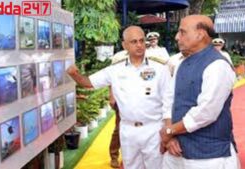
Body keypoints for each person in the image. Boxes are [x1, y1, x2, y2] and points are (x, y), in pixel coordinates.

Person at [67, 26, 172, 169]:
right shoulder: (115, 70)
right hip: (128, 130)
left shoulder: (160, 69)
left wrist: (168, 130)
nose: (139, 45)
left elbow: (168, 101)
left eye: (142, 41)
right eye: (134, 42)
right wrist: (74, 74)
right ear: (124, 45)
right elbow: (88, 83)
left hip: (153, 130)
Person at [159, 15, 241, 169]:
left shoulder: (218, 66)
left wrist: (169, 130)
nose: (177, 37)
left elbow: (206, 112)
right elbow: (169, 101)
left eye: (182, 32)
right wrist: (169, 138)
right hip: (176, 151)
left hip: (209, 156)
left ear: (200, 34)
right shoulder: (181, 64)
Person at [108, 50, 129, 168]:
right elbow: (110, 78)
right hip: (121, 99)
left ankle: (128, 157)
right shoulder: (119, 57)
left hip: (137, 100)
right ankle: (114, 155)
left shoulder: (144, 56)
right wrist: (111, 96)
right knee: (119, 128)